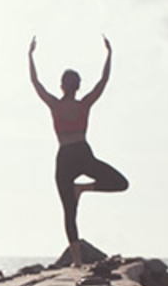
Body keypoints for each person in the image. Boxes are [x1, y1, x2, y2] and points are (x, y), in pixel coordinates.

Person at [29, 35, 129, 268]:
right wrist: (109, 55)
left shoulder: (55, 105)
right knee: (120, 183)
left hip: (65, 157)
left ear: (62, 85)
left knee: (69, 211)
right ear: (78, 86)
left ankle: (77, 261)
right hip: (82, 154)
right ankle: (83, 188)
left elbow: (35, 83)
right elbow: (103, 82)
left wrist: (30, 56)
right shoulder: (84, 105)